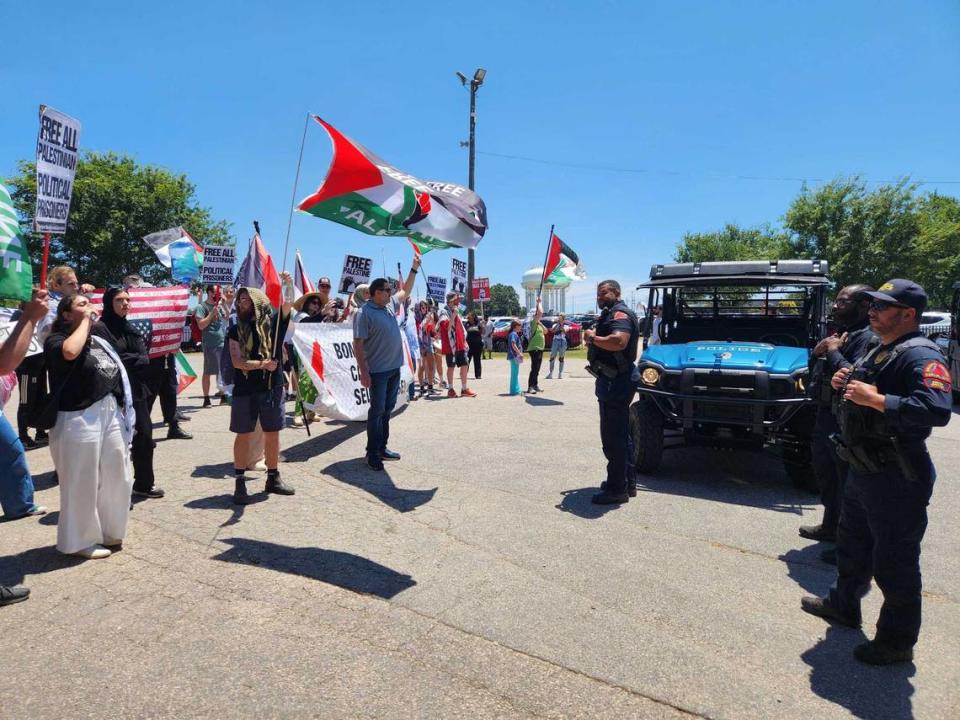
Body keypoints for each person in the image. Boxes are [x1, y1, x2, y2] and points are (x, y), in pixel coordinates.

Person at [801, 279, 952, 666]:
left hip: (897, 473)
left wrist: (879, 400)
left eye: (883, 307)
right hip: (862, 466)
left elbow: (935, 409)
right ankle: (843, 605)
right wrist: (844, 379)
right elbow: (857, 378)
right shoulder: (879, 348)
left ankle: (896, 642)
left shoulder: (921, 354)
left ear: (908, 315)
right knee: (852, 545)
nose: (873, 310)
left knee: (895, 561)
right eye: (873, 305)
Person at [44, 293, 135, 559]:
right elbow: (70, 353)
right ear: (66, 315)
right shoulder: (55, 339)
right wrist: (85, 321)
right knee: (81, 479)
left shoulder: (98, 341)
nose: (89, 307)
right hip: (77, 415)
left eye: (88, 303)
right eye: (81, 305)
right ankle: (77, 541)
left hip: (109, 411)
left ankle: (110, 530)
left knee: (119, 471)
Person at [800, 284, 875, 562]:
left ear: (865, 305)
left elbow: (854, 374)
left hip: (846, 419)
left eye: (843, 302)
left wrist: (832, 352)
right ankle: (830, 526)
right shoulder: (843, 333)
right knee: (826, 475)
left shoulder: (869, 337)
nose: (835, 306)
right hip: (826, 414)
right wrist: (819, 351)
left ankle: (849, 545)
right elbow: (820, 369)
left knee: (847, 483)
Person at [228, 279, 296, 505]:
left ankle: (273, 477)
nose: (241, 303)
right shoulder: (235, 329)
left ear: (257, 302)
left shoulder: (275, 325)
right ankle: (239, 482)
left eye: (246, 300)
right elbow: (237, 362)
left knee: (273, 433)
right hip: (245, 389)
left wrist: (288, 283)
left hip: (272, 388)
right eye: (240, 300)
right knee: (244, 434)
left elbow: (288, 303)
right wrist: (262, 364)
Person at [93, 287, 162, 500]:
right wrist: (130, 359)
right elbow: (105, 361)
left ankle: (143, 484)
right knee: (115, 444)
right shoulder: (99, 330)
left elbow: (144, 359)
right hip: (111, 393)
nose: (125, 304)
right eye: (119, 300)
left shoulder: (131, 328)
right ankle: (114, 492)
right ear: (108, 303)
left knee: (145, 437)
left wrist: (127, 358)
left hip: (137, 393)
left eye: (127, 300)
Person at [353, 257, 421, 471]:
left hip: (393, 369)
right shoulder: (364, 313)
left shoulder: (389, 304)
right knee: (377, 411)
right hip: (378, 372)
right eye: (386, 289)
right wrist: (364, 372)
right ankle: (371, 453)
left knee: (387, 410)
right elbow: (357, 345)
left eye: (390, 289)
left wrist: (414, 269)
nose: (390, 291)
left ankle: (382, 448)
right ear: (374, 293)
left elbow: (406, 291)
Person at [583, 280, 639, 505]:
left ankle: (617, 489)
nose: (600, 297)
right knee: (621, 434)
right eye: (597, 293)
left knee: (613, 437)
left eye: (604, 293)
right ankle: (627, 481)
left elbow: (618, 341)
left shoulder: (620, 314)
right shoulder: (610, 314)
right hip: (613, 380)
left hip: (616, 382)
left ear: (617, 293)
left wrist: (592, 338)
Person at [0, 288, 49, 522]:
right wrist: (29, 317)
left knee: (12, 453)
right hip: (27, 373)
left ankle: (20, 505)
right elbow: (5, 362)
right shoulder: (18, 318)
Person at [194, 284, 227, 407]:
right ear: (208, 292)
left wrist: (223, 304)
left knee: (222, 370)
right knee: (208, 371)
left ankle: (223, 395)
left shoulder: (218, 306)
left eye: (218, 292)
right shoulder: (201, 307)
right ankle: (206, 398)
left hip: (222, 342)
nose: (216, 294)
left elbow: (227, 317)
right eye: (214, 292)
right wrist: (211, 314)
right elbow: (201, 325)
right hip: (210, 344)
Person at [438, 292, 476, 398]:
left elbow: (460, 328)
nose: (457, 302)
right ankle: (450, 389)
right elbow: (446, 328)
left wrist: (464, 340)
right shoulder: (443, 312)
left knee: (465, 364)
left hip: (460, 343)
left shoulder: (457, 312)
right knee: (451, 366)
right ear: (450, 301)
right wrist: (453, 315)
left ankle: (464, 388)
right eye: (455, 300)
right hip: (450, 345)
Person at [526, 298, 546, 394]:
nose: (539, 317)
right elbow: (541, 312)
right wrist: (539, 303)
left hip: (540, 348)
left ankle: (535, 384)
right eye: (537, 315)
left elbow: (546, 331)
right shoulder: (533, 323)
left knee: (537, 368)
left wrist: (541, 324)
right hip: (534, 348)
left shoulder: (538, 324)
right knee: (534, 368)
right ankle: (530, 386)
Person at [546, 313, 568, 379]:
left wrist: (561, 325)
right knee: (552, 356)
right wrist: (558, 324)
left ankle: (560, 373)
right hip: (555, 340)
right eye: (559, 318)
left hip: (563, 341)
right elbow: (553, 331)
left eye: (561, 318)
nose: (559, 319)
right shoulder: (555, 324)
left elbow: (564, 332)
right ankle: (551, 373)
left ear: (563, 319)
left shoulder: (566, 326)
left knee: (561, 357)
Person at [506, 320, 524, 396]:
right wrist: (519, 353)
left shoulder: (513, 334)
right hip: (514, 356)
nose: (521, 328)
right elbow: (513, 345)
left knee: (515, 373)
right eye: (520, 326)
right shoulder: (513, 334)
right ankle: (514, 391)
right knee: (514, 374)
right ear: (516, 326)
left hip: (514, 356)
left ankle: (516, 389)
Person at [465, 311, 484, 380]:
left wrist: (482, 327)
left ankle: (478, 375)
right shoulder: (467, 324)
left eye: (470, 317)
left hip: (477, 345)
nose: (468, 318)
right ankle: (464, 374)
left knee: (477, 360)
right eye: (468, 317)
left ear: (473, 317)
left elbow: (482, 332)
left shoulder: (478, 324)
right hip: (468, 345)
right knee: (467, 360)